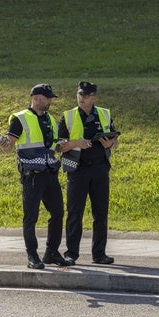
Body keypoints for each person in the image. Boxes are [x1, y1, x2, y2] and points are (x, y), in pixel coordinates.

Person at [0, 83, 71, 269]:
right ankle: (32, 256)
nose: (50, 101)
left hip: (50, 174)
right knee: (31, 217)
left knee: (58, 213)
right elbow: (9, 147)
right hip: (32, 176)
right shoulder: (20, 119)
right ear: (37, 98)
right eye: (48, 98)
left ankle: (51, 253)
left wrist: (67, 145)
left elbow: (53, 147)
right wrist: (4, 144)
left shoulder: (50, 119)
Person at [58, 81, 119, 265]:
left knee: (100, 213)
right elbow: (59, 146)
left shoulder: (104, 114)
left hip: (100, 168)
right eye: (79, 95)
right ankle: (71, 253)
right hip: (77, 169)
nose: (82, 99)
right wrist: (77, 143)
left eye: (86, 96)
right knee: (75, 212)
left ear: (94, 97)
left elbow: (115, 141)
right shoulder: (67, 116)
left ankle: (99, 254)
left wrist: (111, 144)